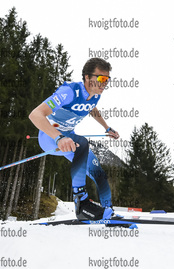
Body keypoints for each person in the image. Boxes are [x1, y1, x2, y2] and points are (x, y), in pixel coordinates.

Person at [29, 57, 120, 221]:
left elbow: (91, 108)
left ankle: (108, 210)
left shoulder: (95, 95)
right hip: (50, 136)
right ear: (87, 77)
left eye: (107, 80)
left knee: (97, 171)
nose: (104, 83)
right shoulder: (69, 91)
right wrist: (58, 138)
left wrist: (106, 127)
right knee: (82, 144)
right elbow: (35, 114)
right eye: (100, 78)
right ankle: (81, 205)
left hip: (69, 137)